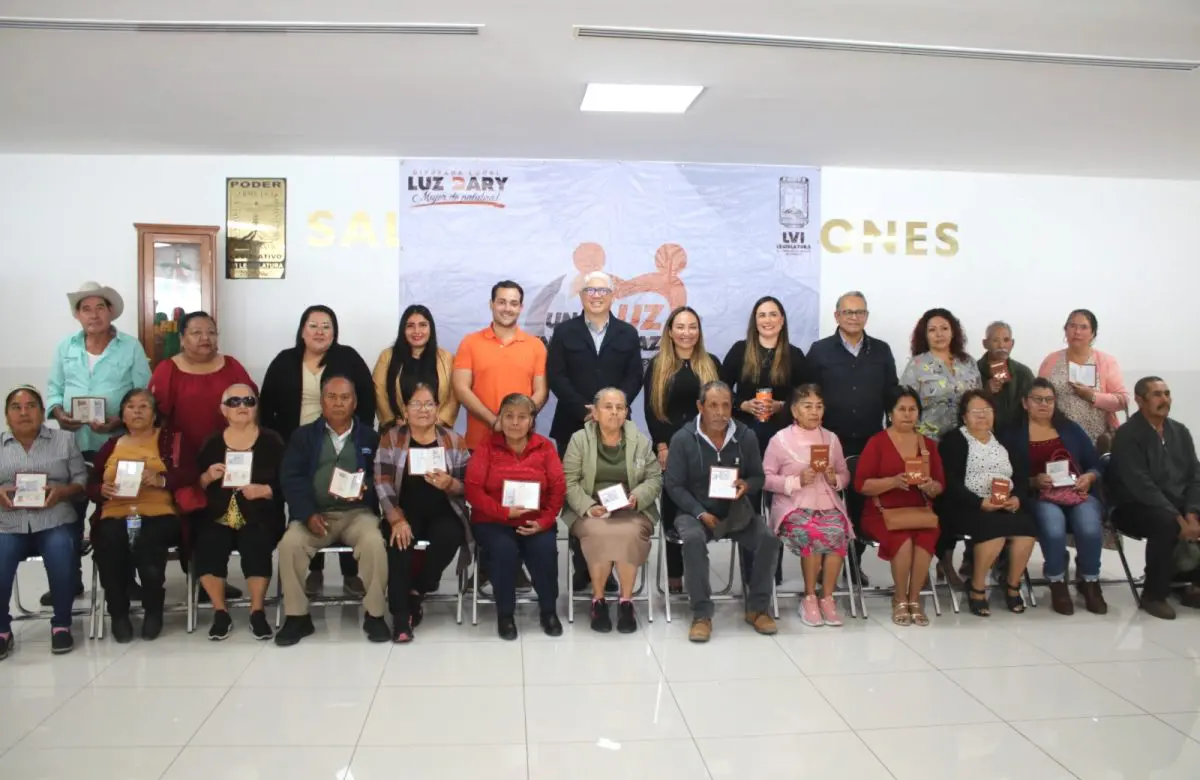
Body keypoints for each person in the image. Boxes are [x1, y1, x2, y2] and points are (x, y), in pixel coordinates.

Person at [45, 281, 151, 605]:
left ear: (111, 312)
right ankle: (69, 580)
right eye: (86, 309)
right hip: (72, 442)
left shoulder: (130, 347)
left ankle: (126, 580)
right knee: (71, 511)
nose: (94, 315)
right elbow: (53, 389)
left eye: (100, 308)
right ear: (77, 315)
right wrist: (59, 413)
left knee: (121, 508)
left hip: (119, 442)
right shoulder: (65, 347)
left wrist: (121, 420)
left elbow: (144, 392)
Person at [260, 305, 374, 598]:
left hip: (340, 441)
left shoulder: (348, 358)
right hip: (297, 446)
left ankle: (350, 574)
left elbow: (367, 399)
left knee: (345, 503)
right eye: (313, 326)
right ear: (302, 330)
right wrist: (277, 443)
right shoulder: (285, 361)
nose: (320, 332)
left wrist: (357, 437)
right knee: (305, 504)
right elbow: (266, 405)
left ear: (335, 332)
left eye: (326, 326)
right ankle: (313, 570)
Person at [274, 376, 389, 646]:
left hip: (357, 514)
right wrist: (306, 514)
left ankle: (375, 614)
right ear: (322, 401)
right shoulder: (303, 436)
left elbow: (382, 477)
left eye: (345, 397)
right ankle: (297, 617)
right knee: (290, 544)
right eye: (332, 397)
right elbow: (291, 478)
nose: (338, 403)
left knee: (374, 542)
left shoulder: (370, 437)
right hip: (315, 514)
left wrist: (366, 490)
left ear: (355, 402)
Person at [547, 271, 643, 593]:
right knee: (578, 496)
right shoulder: (565, 332)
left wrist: (611, 410)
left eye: (602, 290)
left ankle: (609, 566)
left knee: (612, 494)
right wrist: (585, 409)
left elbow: (634, 377)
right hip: (573, 422)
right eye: (590, 290)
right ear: (582, 295)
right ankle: (583, 566)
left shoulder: (627, 333)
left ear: (612, 295)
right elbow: (556, 376)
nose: (597, 296)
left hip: (616, 427)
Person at [664, 380, 781, 643]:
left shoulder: (745, 436)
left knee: (769, 539)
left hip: (735, 512)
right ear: (700, 407)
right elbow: (673, 485)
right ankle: (701, 615)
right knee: (693, 540)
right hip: (694, 513)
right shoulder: (683, 438)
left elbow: (759, 477)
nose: (720, 412)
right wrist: (699, 512)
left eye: (726, 406)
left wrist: (747, 485)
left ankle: (758, 608)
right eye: (713, 406)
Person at [807, 291, 899, 586]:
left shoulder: (881, 351)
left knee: (860, 504)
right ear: (837, 316)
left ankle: (853, 563)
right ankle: (824, 565)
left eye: (859, 312)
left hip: (870, 440)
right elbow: (808, 395)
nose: (854, 317)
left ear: (866, 317)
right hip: (830, 441)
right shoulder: (820, 351)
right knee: (828, 504)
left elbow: (892, 394)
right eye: (848, 312)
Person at [374, 383, 472, 643]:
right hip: (404, 510)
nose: (423, 409)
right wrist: (396, 519)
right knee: (400, 542)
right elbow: (382, 482)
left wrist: (450, 484)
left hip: (443, 509)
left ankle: (418, 588)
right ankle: (400, 616)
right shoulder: (392, 438)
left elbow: (468, 484)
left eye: (429, 404)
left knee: (451, 536)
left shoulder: (453, 439)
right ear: (405, 410)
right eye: (416, 404)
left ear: (437, 409)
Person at [999, 379, 1106, 616]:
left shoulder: (1069, 429)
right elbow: (1003, 473)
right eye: (1037, 399)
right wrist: (1032, 481)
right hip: (1038, 495)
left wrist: (1089, 477)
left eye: (1049, 400)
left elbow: (1095, 464)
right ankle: (1057, 582)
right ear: (1025, 403)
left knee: (1089, 526)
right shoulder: (1011, 434)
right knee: (1053, 526)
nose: (1044, 404)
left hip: (1076, 492)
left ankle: (1090, 581)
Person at [88, 389, 187, 642]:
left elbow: (189, 473)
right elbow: (91, 483)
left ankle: (153, 609)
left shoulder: (170, 441)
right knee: (109, 543)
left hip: (158, 512)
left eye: (144, 406)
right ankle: (118, 612)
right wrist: (100, 489)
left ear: (154, 415)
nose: (137, 411)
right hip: (116, 512)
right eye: (131, 406)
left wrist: (162, 480)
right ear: (122, 415)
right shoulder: (111, 445)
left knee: (147, 542)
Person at [464, 393, 565, 640]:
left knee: (544, 550)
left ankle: (548, 611)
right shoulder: (487, 447)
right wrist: (503, 512)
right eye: (508, 416)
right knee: (504, 551)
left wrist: (544, 521)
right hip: (493, 521)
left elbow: (558, 488)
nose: (515, 422)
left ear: (532, 421)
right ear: (500, 419)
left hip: (535, 521)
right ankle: (505, 615)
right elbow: (473, 490)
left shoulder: (545, 447)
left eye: (522, 417)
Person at [562, 387, 661, 634]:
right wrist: (588, 507)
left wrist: (637, 497)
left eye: (620, 407)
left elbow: (654, 478)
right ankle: (599, 600)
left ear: (626, 412)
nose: (614, 412)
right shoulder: (579, 440)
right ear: (595, 413)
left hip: (631, 509)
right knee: (599, 533)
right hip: (590, 510)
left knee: (629, 533)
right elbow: (568, 481)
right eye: (608, 407)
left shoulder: (639, 440)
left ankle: (626, 601)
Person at [0, 386, 87, 658]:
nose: (24, 412)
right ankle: (2, 630)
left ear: (42, 412)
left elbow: (82, 480)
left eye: (31, 406)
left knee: (61, 550)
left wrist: (63, 491)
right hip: (9, 522)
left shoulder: (64, 440)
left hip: (55, 518)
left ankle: (61, 625)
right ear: (7, 415)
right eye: (16, 407)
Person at [194, 384, 286, 640]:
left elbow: (289, 481)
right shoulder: (212, 443)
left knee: (256, 539)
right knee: (208, 541)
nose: (242, 406)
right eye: (234, 402)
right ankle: (220, 612)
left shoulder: (272, 441)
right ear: (223, 410)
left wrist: (267, 490)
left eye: (249, 401)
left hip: (260, 514)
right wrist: (206, 477)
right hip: (217, 515)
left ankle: (257, 610)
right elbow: (194, 484)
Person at [936, 391, 1038, 617]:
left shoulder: (1004, 440)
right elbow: (949, 482)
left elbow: (1021, 477)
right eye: (976, 412)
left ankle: (1012, 584)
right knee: (994, 530)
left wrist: (1017, 498)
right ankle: (977, 587)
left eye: (987, 410)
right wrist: (979, 502)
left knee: (1026, 529)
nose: (982, 416)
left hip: (1004, 504)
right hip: (968, 506)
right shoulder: (954, 441)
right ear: (964, 417)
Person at [901, 307, 981, 586]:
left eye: (944, 328)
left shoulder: (968, 363)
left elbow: (977, 402)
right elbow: (904, 406)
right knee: (928, 502)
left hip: (962, 445)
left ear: (953, 331)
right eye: (932, 330)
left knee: (953, 504)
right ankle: (920, 565)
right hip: (927, 444)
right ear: (924, 335)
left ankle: (945, 561)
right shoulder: (917, 365)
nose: (939, 334)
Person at [1108, 377, 1200, 620]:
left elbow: (1195, 476)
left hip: (1177, 505)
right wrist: (1179, 519)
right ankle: (1153, 595)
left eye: (1167, 393)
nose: (1165, 399)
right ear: (1139, 400)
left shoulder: (1179, 431)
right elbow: (1141, 486)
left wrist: (1192, 513)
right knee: (1165, 523)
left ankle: (1190, 584)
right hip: (1132, 505)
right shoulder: (1128, 435)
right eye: (1157, 394)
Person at [643, 306, 721, 594]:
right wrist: (662, 446)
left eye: (692, 327)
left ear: (699, 331)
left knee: (702, 506)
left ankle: (698, 568)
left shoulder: (711, 363)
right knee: (673, 507)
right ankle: (675, 573)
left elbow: (722, 409)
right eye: (680, 327)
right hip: (671, 449)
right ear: (670, 331)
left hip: (707, 449)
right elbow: (651, 410)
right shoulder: (657, 365)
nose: (687, 333)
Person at [762, 384, 852, 627]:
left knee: (837, 531)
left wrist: (834, 478)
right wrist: (796, 481)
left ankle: (827, 597)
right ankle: (809, 597)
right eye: (807, 406)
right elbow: (765, 478)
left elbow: (845, 474)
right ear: (794, 410)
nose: (814, 412)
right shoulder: (780, 440)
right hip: (793, 505)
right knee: (812, 533)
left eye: (819, 406)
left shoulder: (831, 439)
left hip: (827, 502)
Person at [854, 387, 945, 626]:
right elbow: (861, 485)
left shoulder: (928, 445)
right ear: (890, 413)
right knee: (902, 541)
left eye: (912, 409)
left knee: (925, 540)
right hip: (881, 511)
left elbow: (940, 485)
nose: (907, 414)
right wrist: (892, 482)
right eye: (902, 409)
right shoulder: (877, 443)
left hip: (919, 512)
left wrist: (930, 486)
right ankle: (900, 599)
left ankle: (915, 599)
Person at [452, 280, 549, 451]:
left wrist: (516, 422)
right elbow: (461, 389)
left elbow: (541, 391)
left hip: (522, 446)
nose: (507, 308)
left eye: (514, 303)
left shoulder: (536, 346)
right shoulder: (470, 342)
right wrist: (494, 422)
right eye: (502, 302)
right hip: (479, 444)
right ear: (491, 304)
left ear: (521, 307)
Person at [1038, 309, 1129, 444]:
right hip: (1057, 439)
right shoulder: (1051, 360)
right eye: (1072, 326)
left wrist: (1092, 396)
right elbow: (1037, 396)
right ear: (1065, 330)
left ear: (1093, 333)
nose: (1077, 332)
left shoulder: (1106, 361)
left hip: (1097, 442)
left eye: (1084, 327)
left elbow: (1123, 401)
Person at [372, 304, 459, 431]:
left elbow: (454, 395)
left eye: (423, 325)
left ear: (431, 328)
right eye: (410, 326)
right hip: (396, 431)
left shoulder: (447, 358)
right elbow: (378, 391)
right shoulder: (387, 356)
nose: (417, 331)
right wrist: (393, 422)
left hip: (436, 431)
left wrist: (437, 422)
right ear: (403, 329)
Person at [977, 321, 1034, 432]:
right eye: (995, 340)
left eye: (1006, 340)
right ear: (985, 344)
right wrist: (985, 392)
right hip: (983, 433)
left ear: (1012, 343)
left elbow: (1034, 405)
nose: (1001, 345)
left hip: (1017, 434)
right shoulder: (973, 371)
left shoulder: (1023, 373)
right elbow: (966, 407)